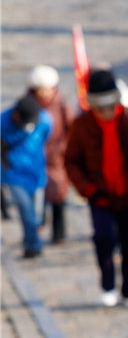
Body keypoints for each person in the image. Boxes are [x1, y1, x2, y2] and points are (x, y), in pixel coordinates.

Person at [64, 70, 128, 308]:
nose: (105, 112)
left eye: (109, 106)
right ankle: (108, 285)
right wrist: (87, 189)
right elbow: (71, 161)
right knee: (104, 240)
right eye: (100, 108)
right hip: (99, 195)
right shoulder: (81, 125)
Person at [1, 95, 52, 258]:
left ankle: (32, 237)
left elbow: (47, 137)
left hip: (36, 172)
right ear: (16, 115)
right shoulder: (3, 122)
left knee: (36, 213)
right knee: (26, 209)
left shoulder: (44, 120)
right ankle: (33, 245)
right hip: (14, 173)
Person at [27, 65, 73, 245]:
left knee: (58, 194)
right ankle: (38, 225)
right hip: (34, 157)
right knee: (37, 195)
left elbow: (71, 127)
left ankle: (59, 233)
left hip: (57, 157)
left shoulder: (60, 104)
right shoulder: (28, 104)